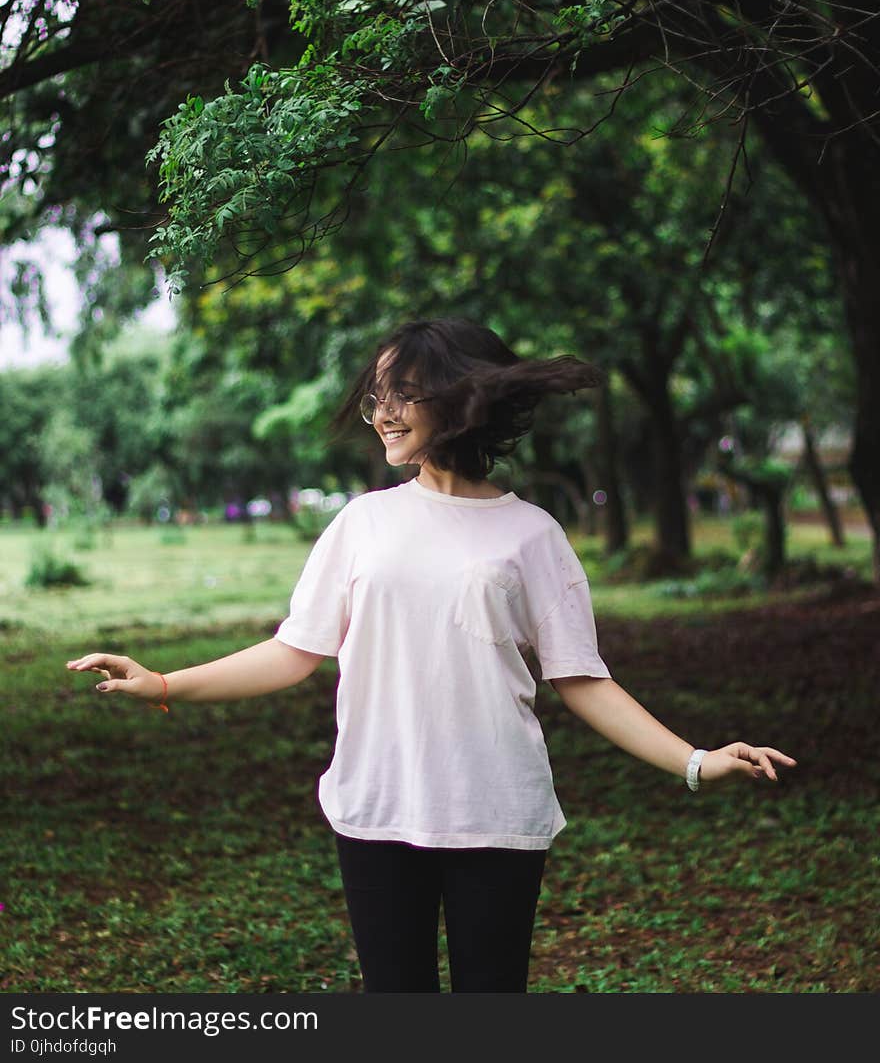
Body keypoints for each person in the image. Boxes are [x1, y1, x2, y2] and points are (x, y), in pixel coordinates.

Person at [66, 317, 796, 994]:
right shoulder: (364, 523)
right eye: (376, 398)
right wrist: (162, 682)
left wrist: (696, 761)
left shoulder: (532, 536)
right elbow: (295, 652)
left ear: (460, 401)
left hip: (497, 812)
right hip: (377, 810)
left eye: (403, 395)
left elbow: (583, 680)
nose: (382, 413)